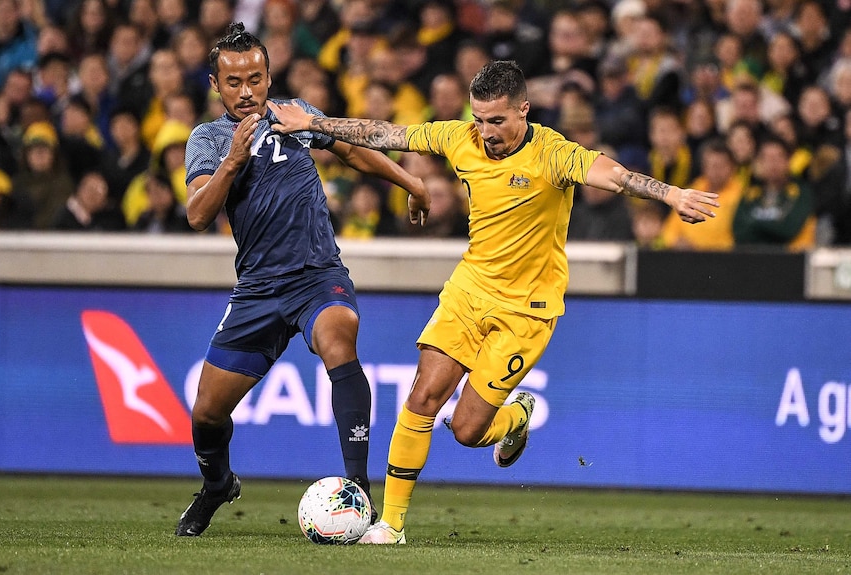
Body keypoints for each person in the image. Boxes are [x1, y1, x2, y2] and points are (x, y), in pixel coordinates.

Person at [271, 59, 719, 544]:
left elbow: (611, 174)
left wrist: (670, 193)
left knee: (466, 430)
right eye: (479, 118)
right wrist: (311, 123)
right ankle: (392, 525)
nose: (486, 132)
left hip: (527, 312)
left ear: (524, 110)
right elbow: (386, 134)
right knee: (422, 397)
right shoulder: (459, 137)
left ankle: (515, 416)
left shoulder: (553, 154)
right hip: (469, 291)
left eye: (497, 120)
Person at [175, 22, 429, 537]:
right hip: (258, 291)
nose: (246, 91)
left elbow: (354, 151)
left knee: (340, 337)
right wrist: (233, 162)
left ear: (269, 76)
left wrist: (412, 181)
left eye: (256, 78)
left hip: (317, 274)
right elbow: (199, 215)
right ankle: (218, 485)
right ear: (214, 84)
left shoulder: (298, 117)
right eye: (233, 82)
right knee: (206, 414)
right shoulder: (208, 139)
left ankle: (358, 493)